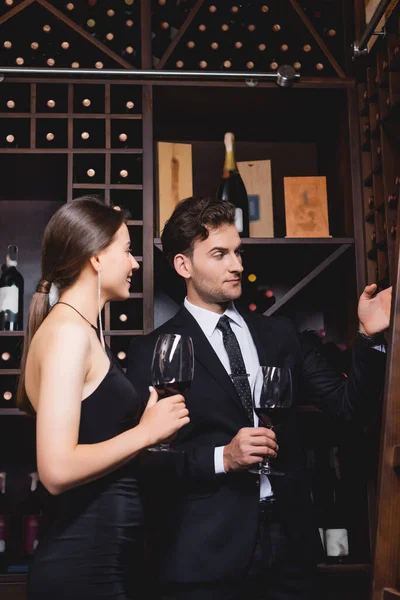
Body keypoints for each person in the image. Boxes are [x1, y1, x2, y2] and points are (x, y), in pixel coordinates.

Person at [127, 196, 390, 600]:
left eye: (238, 252)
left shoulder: (279, 334)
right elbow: (147, 465)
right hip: (202, 554)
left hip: (290, 546)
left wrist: (370, 338)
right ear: (183, 265)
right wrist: (223, 458)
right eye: (220, 254)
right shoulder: (154, 352)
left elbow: (349, 410)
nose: (237, 265)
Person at [17, 196, 190, 600]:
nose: (135, 263)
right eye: (127, 251)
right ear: (96, 258)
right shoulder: (67, 334)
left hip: (102, 563)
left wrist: (138, 426)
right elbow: (56, 470)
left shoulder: (81, 330)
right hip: (83, 568)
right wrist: (145, 433)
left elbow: (92, 438)